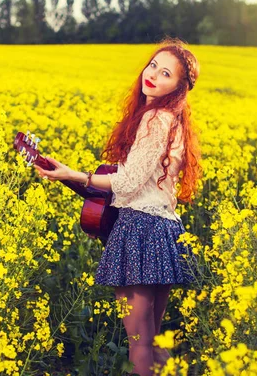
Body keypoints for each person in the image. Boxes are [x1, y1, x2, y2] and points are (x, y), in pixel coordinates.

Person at [34, 37, 202, 376]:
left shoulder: (156, 120)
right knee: (152, 341)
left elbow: (126, 184)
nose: (153, 74)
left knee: (139, 342)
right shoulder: (175, 120)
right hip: (165, 230)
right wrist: (72, 176)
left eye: (165, 73)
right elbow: (133, 185)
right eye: (153, 65)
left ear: (178, 87)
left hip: (140, 231)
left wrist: (74, 174)